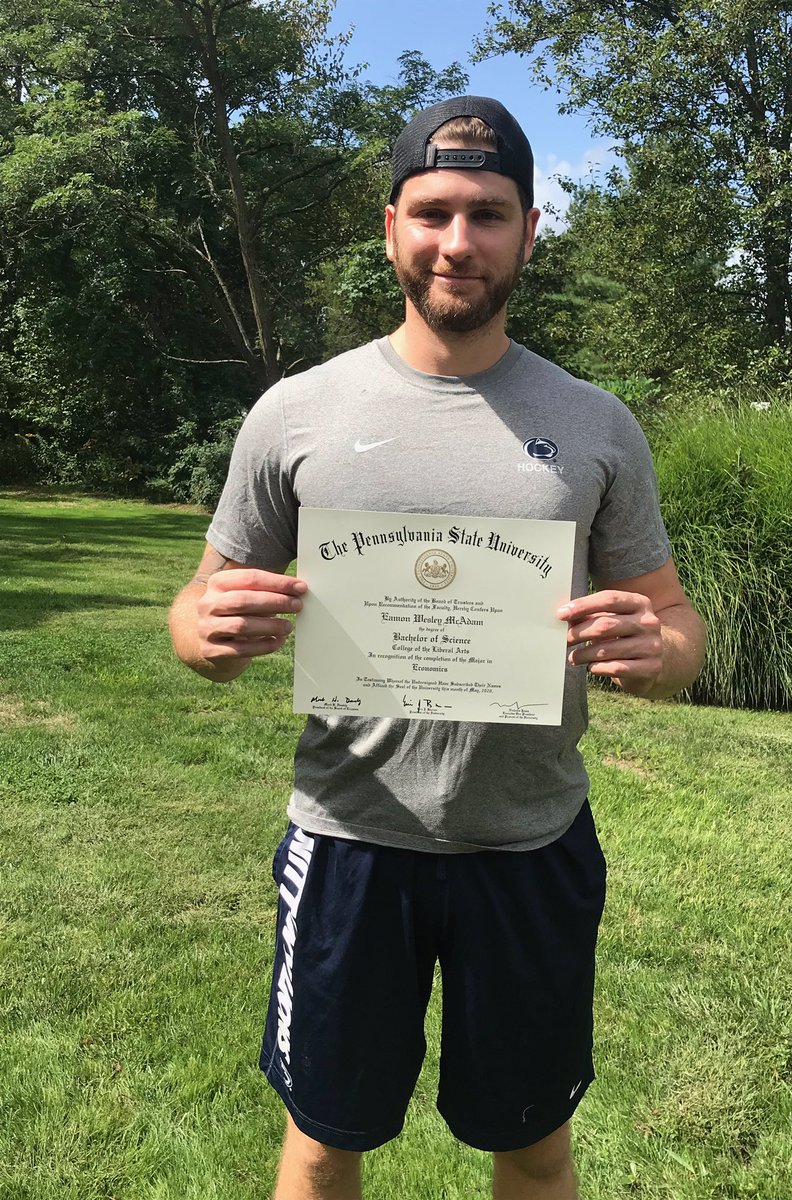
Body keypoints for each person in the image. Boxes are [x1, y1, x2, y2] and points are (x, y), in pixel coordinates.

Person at [169, 95, 706, 1200]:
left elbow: (675, 619)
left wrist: (659, 651)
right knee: (322, 1143)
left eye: (489, 214)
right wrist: (202, 635)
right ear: (392, 227)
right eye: (434, 213)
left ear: (529, 231)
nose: (459, 242)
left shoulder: (597, 424)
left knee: (534, 1147)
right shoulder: (297, 412)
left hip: (531, 844)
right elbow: (201, 603)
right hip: (349, 845)